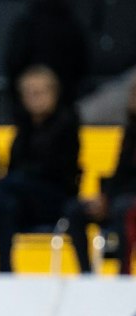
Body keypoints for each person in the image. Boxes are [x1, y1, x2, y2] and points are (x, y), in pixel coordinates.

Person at [0, 66, 78, 274]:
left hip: (55, 196)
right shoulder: (24, 126)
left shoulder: (66, 122)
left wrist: (22, 176)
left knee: (6, 184)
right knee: (7, 204)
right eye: (28, 93)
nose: (33, 98)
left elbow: (57, 168)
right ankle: (5, 272)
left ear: (53, 93)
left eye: (38, 93)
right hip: (24, 198)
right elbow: (14, 163)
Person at [61, 83, 136, 275]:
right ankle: (86, 275)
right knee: (75, 210)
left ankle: (123, 275)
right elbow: (120, 174)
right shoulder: (131, 131)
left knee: (123, 209)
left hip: (127, 203)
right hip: (121, 198)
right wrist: (104, 198)